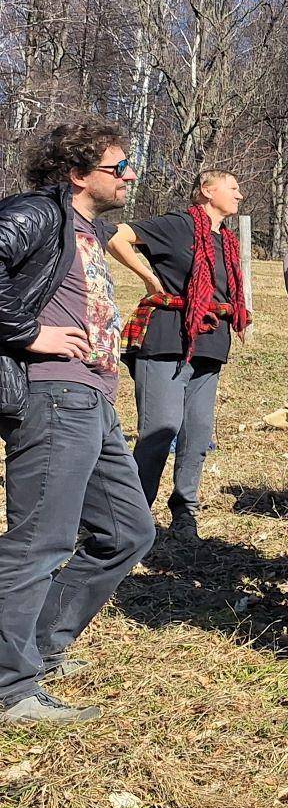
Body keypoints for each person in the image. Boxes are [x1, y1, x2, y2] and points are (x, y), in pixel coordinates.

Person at [0, 120, 154, 725]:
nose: (130, 175)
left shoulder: (88, 229)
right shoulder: (37, 211)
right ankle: (11, 687)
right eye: (118, 167)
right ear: (76, 173)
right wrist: (28, 333)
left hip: (94, 399)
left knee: (128, 533)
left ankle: (37, 649)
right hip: (53, 395)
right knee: (39, 541)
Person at [105, 169, 250, 538]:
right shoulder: (178, 225)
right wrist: (149, 278)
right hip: (168, 338)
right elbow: (117, 236)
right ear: (206, 191)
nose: (240, 195)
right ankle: (130, 521)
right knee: (159, 431)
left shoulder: (227, 241)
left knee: (197, 436)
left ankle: (185, 512)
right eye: (232, 188)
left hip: (210, 342)